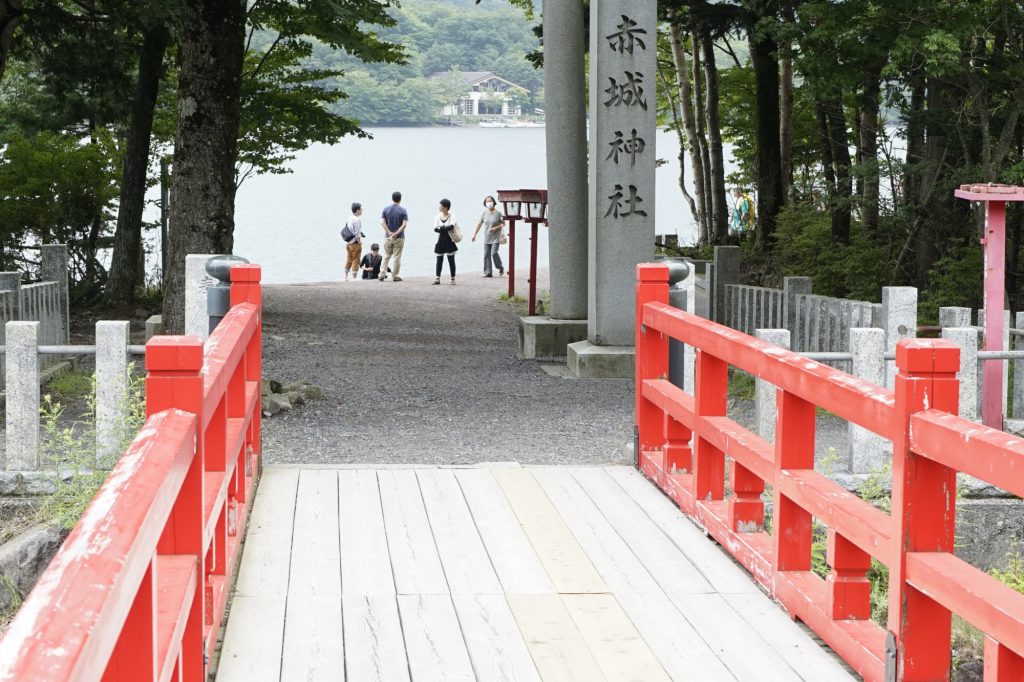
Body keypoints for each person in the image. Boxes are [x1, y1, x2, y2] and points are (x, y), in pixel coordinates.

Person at [379, 191, 408, 282]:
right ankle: (395, 276)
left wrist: (389, 232)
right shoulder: (403, 210)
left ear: (392, 198)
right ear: (400, 199)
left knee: (386, 256)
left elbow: (382, 223)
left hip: (388, 237)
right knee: (397, 257)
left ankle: (382, 274)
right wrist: (396, 233)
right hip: (399, 238)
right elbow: (404, 225)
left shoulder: (385, 209)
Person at [472, 195, 505, 277]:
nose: (489, 202)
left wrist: (496, 228)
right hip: (487, 237)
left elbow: (503, 224)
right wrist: (474, 235)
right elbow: (479, 224)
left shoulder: (498, 213)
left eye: (490, 201)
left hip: (496, 237)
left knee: (494, 253)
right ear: (485, 203)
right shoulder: (484, 213)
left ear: (493, 202)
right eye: (487, 201)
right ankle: (488, 272)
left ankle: (500, 267)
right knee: (486, 255)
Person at [432, 198, 458, 285]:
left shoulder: (452, 216)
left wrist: (441, 228)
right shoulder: (437, 216)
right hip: (440, 240)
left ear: (446, 208)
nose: (439, 207)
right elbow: (435, 229)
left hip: (449, 240)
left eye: (441, 206)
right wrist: (444, 228)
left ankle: (453, 278)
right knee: (439, 259)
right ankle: (437, 278)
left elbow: (451, 226)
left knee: (451, 260)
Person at [341, 202, 365, 281]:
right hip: (355, 243)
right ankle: (354, 278)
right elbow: (357, 233)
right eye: (361, 209)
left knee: (349, 259)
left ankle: (345, 276)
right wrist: (359, 242)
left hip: (348, 243)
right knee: (356, 260)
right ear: (357, 210)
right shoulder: (357, 220)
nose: (362, 210)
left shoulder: (350, 217)